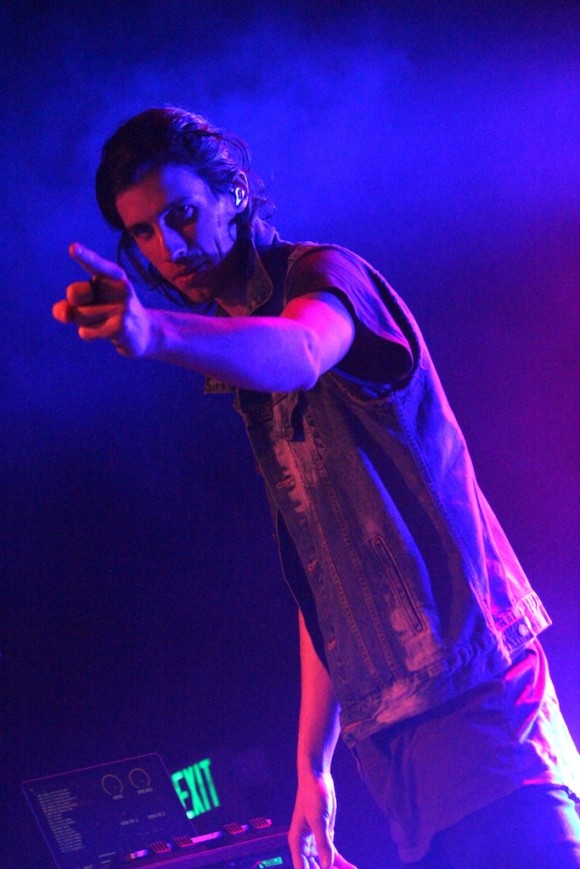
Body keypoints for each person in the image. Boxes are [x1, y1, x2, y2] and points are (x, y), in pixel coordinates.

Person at [53, 107, 580, 868]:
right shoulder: (251, 380)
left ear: (233, 193)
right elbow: (327, 583)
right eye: (143, 233)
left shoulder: (328, 277)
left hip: (482, 713)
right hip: (400, 752)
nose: (167, 248)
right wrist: (312, 766)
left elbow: (301, 349)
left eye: (182, 214)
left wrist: (156, 331)